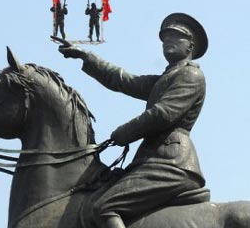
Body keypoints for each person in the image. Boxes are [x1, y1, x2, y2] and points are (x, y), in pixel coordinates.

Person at [57, 13, 209, 228]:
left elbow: (163, 114)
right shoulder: (165, 78)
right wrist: (87, 57)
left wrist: (124, 132)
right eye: (165, 38)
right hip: (151, 159)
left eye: (176, 37)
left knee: (104, 207)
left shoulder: (191, 75)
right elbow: (124, 80)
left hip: (172, 162)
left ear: (190, 46)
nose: (168, 41)